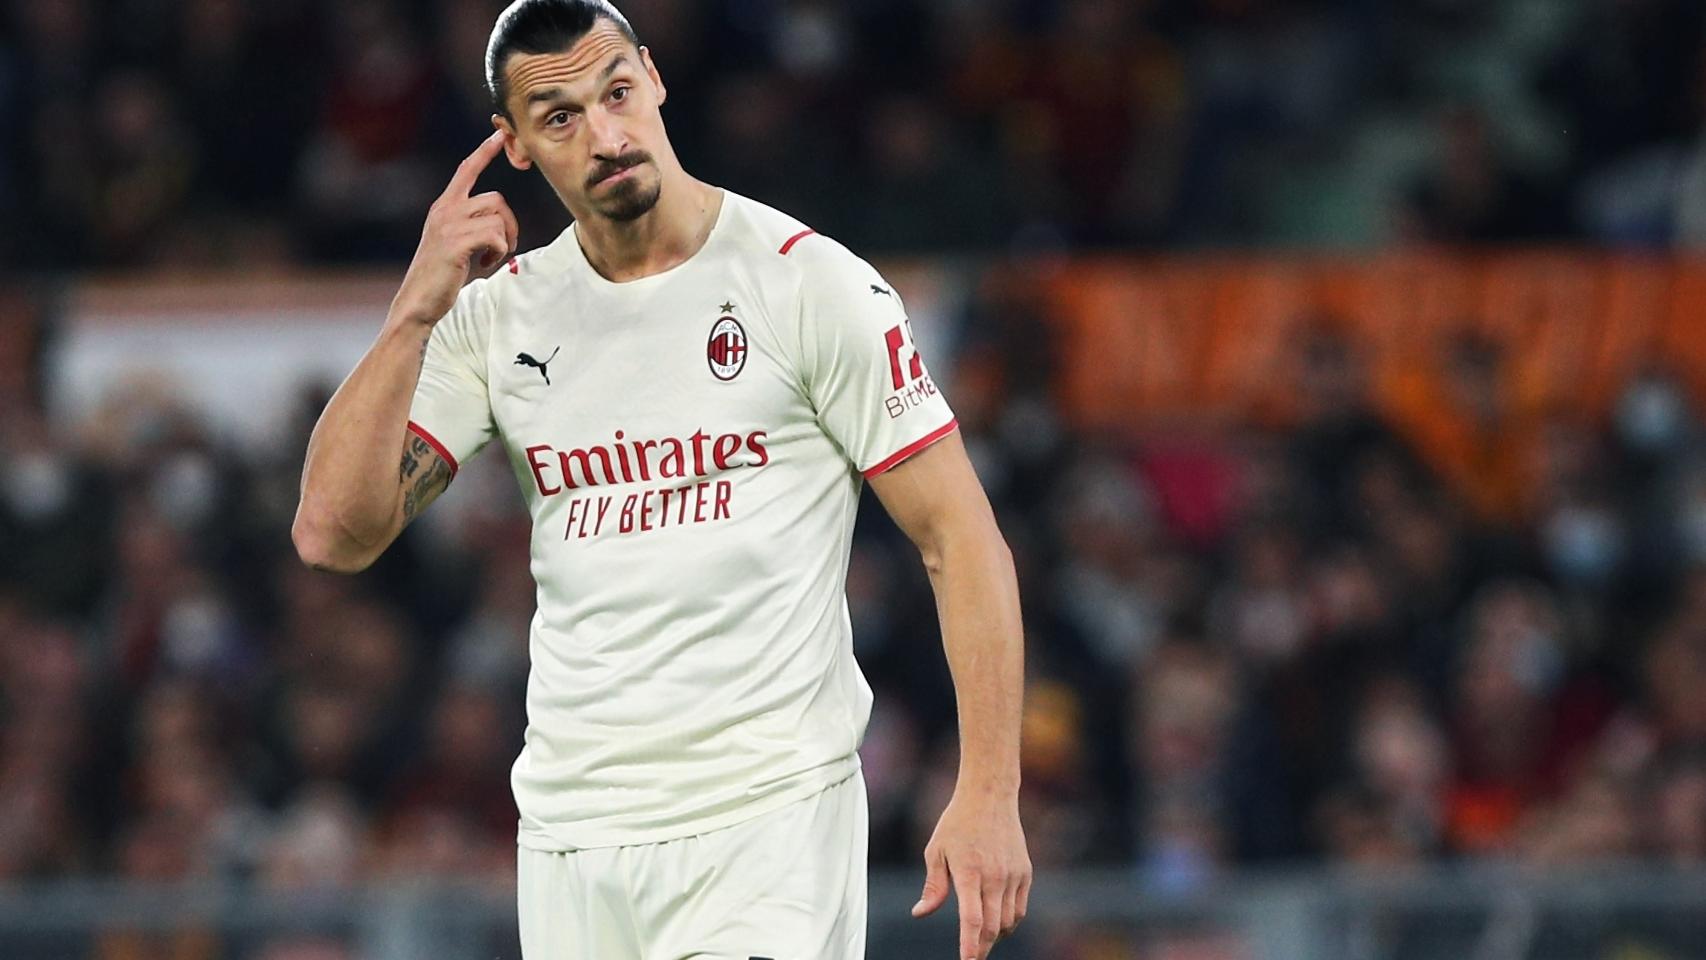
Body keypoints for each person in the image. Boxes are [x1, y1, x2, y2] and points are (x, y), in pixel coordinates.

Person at [289, 1, 1031, 958]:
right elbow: (332, 532)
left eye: (616, 93)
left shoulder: (807, 284)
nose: (605, 136)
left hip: (767, 820)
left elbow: (959, 538)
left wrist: (988, 791)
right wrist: (412, 314)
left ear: (653, 77)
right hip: (573, 838)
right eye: (560, 117)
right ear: (515, 146)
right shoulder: (500, 318)